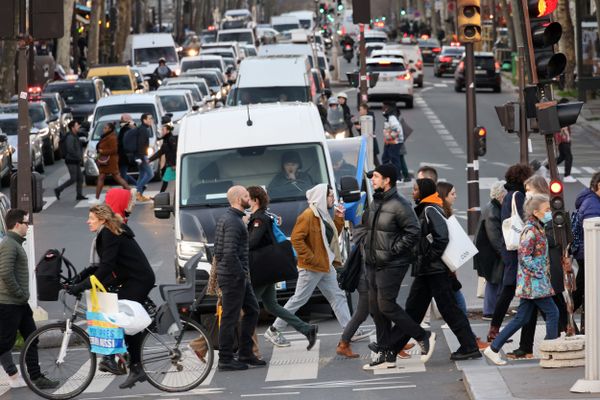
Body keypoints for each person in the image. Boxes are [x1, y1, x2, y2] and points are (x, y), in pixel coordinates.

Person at [392, 178, 481, 361]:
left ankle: (469, 346)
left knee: (448, 309)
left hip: (434, 270)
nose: (413, 192)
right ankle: (392, 347)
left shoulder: (430, 209)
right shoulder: (427, 208)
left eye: (416, 189)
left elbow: (442, 237)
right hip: (428, 270)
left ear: (423, 191)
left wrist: (428, 257)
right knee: (414, 310)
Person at [67, 205, 156, 388]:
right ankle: (113, 358)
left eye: (91, 218)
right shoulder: (107, 231)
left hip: (138, 280)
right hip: (130, 278)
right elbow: (97, 267)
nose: (88, 221)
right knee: (111, 309)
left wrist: (81, 286)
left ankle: (135, 367)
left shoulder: (108, 233)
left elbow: (105, 268)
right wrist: (75, 281)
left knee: (122, 316)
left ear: (102, 219)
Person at [361, 165, 434, 370]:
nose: (372, 180)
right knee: (376, 308)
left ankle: (422, 334)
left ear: (387, 180)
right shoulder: (376, 201)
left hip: (393, 263)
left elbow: (413, 231)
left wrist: (393, 251)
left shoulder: (400, 204)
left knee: (386, 305)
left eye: (376, 177)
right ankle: (386, 353)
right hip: (373, 263)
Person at [270, 184, 352, 343]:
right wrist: (311, 257)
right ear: (321, 197)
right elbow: (296, 239)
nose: (333, 198)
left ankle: (349, 330)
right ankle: (275, 329)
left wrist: (339, 218)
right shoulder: (308, 215)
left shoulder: (323, 215)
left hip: (324, 265)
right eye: (330, 195)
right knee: (299, 299)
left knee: (337, 296)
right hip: (311, 267)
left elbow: (331, 236)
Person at [484, 194, 559, 366]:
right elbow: (524, 257)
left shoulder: (536, 228)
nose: (549, 213)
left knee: (522, 318)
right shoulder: (531, 231)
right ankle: (550, 352)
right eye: (546, 210)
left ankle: (494, 348)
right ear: (535, 212)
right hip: (535, 283)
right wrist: (540, 271)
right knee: (553, 313)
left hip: (532, 283)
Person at [246, 186, 318, 350]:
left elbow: (253, 242)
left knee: (247, 307)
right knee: (271, 305)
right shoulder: (263, 216)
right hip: (268, 268)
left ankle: (246, 347)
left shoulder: (259, 219)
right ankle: (307, 329)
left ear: (255, 200)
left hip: (262, 269)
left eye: (248, 198)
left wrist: (238, 241)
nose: (247, 202)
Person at [0, 209, 59, 390]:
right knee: (4, 343)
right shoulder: (10, 244)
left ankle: (36, 376)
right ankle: (21, 373)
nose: (28, 226)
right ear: (17, 224)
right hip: (9, 303)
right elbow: (5, 272)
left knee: (32, 338)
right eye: (26, 223)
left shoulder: (15, 243)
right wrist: (19, 293)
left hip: (19, 303)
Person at [213, 186, 263, 371]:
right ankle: (225, 359)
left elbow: (218, 250)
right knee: (230, 318)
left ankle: (246, 353)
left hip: (235, 275)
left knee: (252, 310)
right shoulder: (233, 222)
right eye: (246, 196)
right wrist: (241, 274)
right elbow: (228, 253)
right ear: (237, 199)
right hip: (234, 277)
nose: (249, 199)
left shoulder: (229, 218)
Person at [487, 164, 533, 343]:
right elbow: (524, 220)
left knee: (508, 290)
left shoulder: (508, 195)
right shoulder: (518, 195)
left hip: (509, 248)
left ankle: (494, 330)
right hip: (516, 250)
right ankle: (495, 331)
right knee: (508, 290)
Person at [474, 181, 507, 320]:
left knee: (495, 281)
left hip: (488, 251)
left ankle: (493, 310)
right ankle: (490, 311)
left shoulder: (493, 206)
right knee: (494, 280)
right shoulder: (493, 209)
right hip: (490, 253)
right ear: (501, 195)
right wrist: (504, 253)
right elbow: (494, 235)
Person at [94, 123, 131, 202]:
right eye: (104, 127)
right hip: (106, 161)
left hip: (110, 161)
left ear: (110, 129)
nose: (104, 129)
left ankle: (130, 192)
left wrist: (102, 151)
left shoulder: (112, 137)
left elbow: (114, 150)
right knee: (102, 177)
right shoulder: (106, 136)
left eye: (105, 128)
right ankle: (96, 198)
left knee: (117, 177)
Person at [54, 120, 87, 201]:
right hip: (71, 160)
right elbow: (70, 149)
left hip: (75, 160)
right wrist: (78, 156)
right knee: (73, 178)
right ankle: (58, 189)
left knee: (80, 178)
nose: (78, 126)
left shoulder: (75, 135)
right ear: (72, 127)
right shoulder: (70, 137)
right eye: (76, 125)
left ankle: (79, 195)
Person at [381, 102, 409, 182]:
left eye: (385, 108)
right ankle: (386, 174)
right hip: (391, 141)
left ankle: (397, 177)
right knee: (386, 158)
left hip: (394, 142)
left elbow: (397, 129)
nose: (383, 109)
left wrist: (390, 137)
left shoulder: (391, 118)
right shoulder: (389, 117)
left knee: (394, 158)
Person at [148, 122, 178, 193]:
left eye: (163, 130)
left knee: (166, 179)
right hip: (171, 164)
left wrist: (174, 164)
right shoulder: (166, 139)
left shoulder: (171, 139)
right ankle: (161, 195)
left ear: (168, 131)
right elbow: (160, 152)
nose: (162, 131)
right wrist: (150, 160)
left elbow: (175, 151)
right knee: (167, 180)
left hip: (172, 164)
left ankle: (160, 195)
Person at [133, 113, 154, 202]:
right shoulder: (143, 130)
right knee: (150, 174)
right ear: (144, 120)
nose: (151, 120)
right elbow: (141, 144)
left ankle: (139, 195)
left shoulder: (143, 129)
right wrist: (142, 158)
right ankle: (137, 192)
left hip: (140, 156)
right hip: (142, 156)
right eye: (149, 119)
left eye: (151, 118)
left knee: (141, 176)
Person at [354, 102, 380, 166]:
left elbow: (370, 129)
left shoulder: (369, 117)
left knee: (374, 159)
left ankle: (381, 173)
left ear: (365, 110)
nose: (359, 111)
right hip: (365, 141)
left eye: (360, 109)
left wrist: (360, 127)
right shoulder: (362, 117)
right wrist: (358, 128)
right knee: (365, 159)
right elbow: (362, 132)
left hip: (370, 142)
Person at [117, 114, 137, 187]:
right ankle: (138, 185)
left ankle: (128, 188)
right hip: (124, 155)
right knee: (123, 173)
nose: (120, 121)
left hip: (124, 155)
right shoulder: (125, 129)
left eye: (122, 120)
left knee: (123, 173)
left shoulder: (126, 129)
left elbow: (123, 142)